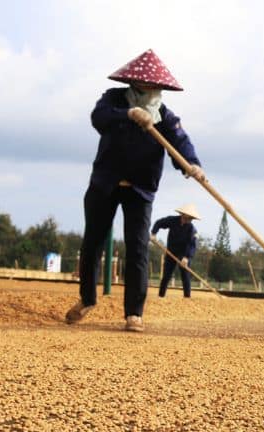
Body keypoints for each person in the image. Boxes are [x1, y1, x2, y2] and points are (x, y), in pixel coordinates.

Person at [66, 49, 205, 333]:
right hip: (105, 184)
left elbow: (180, 142)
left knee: (138, 248)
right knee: (92, 243)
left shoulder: (165, 117)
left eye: (156, 88)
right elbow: (98, 118)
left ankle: (134, 313)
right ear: (135, 84)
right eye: (147, 86)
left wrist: (192, 165)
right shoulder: (114, 99)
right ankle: (87, 299)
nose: (152, 91)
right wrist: (129, 114)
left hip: (140, 190)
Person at [152, 204, 200, 298]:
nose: (188, 220)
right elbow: (159, 223)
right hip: (171, 251)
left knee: (185, 275)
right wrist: (154, 233)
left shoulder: (192, 229)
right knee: (166, 275)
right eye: (187, 218)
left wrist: (187, 257)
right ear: (182, 215)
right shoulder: (172, 220)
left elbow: (192, 244)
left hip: (184, 254)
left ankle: (187, 297)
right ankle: (161, 296)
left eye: (190, 219)